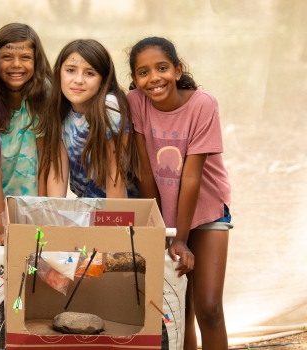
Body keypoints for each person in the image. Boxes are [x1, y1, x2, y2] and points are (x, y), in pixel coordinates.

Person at [126, 37, 233, 350]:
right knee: (178, 308)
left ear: (177, 69)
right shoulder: (136, 101)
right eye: (143, 72)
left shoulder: (202, 104)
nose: (154, 78)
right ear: (134, 80)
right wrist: (158, 227)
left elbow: (191, 174)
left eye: (161, 68)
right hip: (166, 214)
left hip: (207, 209)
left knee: (209, 307)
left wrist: (181, 239)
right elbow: (145, 170)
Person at [0, 23, 52, 243]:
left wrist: (42, 210)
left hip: (34, 200)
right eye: (7, 57)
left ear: (36, 61)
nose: (16, 65)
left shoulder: (43, 94)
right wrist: (2, 227)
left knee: (33, 262)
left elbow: (45, 159)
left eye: (25, 57)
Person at [41, 39, 138, 198]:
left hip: (119, 209)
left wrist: (115, 221)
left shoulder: (109, 108)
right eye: (71, 70)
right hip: (88, 207)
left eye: (90, 73)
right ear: (59, 72)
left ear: (103, 80)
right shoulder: (59, 109)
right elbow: (58, 173)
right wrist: (53, 217)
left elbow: (115, 176)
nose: (78, 80)